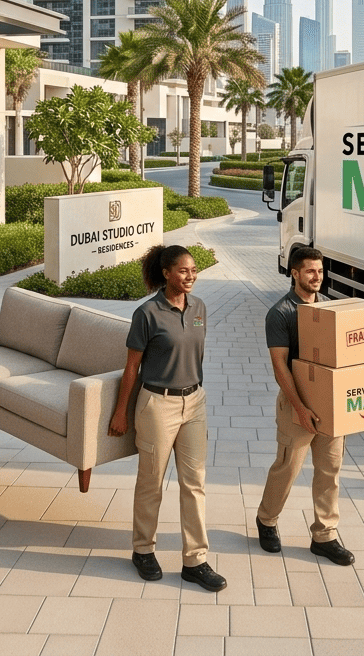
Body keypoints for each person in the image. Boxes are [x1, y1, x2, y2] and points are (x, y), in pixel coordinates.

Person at [108, 244, 226, 592]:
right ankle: (143, 549)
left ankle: (196, 561)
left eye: (194, 271)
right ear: (166, 274)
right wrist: (121, 412)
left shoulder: (199, 308)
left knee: (195, 482)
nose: (190, 276)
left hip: (195, 402)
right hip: (157, 405)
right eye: (183, 271)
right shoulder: (147, 314)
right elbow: (132, 368)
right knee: (151, 481)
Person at [255, 246, 354, 565]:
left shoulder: (328, 308)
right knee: (287, 468)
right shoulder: (281, 313)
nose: (317, 277)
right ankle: (267, 521)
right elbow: (279, 366)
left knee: (330, 471)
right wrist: (299, 408)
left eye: (321, 271)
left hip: (330, 407)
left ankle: (324, 535)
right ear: (295, 273)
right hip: (296, 406)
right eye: (310, 271)